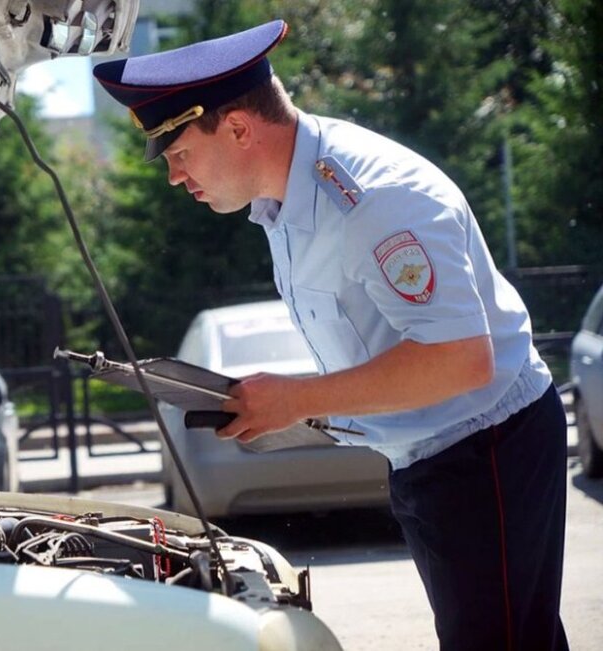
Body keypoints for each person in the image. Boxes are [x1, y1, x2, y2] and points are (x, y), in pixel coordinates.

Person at [93, 19, 568, 651]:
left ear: (237, 128)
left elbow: (460, 360)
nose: (175, 176)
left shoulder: (373, 198)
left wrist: (297, 399)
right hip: (434, 456)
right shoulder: (287, 198)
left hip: (486, 450)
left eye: (178, 153)